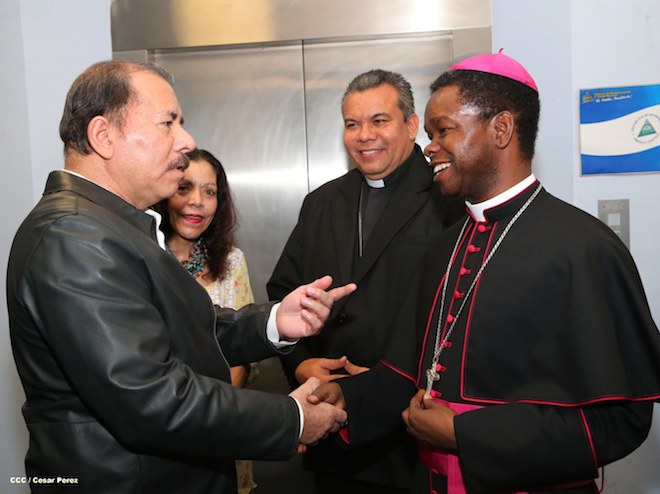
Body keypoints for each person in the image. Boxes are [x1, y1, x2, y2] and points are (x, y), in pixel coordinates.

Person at [310, 51, 660, 494]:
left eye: (443, 130)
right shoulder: (443, 248)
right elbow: (409, 372)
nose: (429, 147)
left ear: (501, 129)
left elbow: (620, 421)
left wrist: (465, 434)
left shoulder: (584, 248)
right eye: (430, 134)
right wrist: (348, 399)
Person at [6, 60, 355, 493]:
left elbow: (183, 329)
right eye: (168, 123)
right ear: (103, 136)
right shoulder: (74, 235)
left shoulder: (109, 225)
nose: (186, 141)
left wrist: (274, 321)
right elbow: (148, 397)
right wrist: (293, 419)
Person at [266, 69, 463, 493]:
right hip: (332, 431)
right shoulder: (322, 202)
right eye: (352, 124)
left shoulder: (448, 198)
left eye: (379, 120)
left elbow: (460, 314)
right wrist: (299, 362)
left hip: (409, 435)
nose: (364, 135)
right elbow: (283, 293)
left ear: (411, 125)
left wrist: (385, 381)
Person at [156, 148, 260, 493]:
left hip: (224, 428)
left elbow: (242, 353)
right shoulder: (144, 260)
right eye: (184, 188)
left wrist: (214, 416)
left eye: (209, 191)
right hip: (159, 433)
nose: (197, 202)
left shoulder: (232, 262)